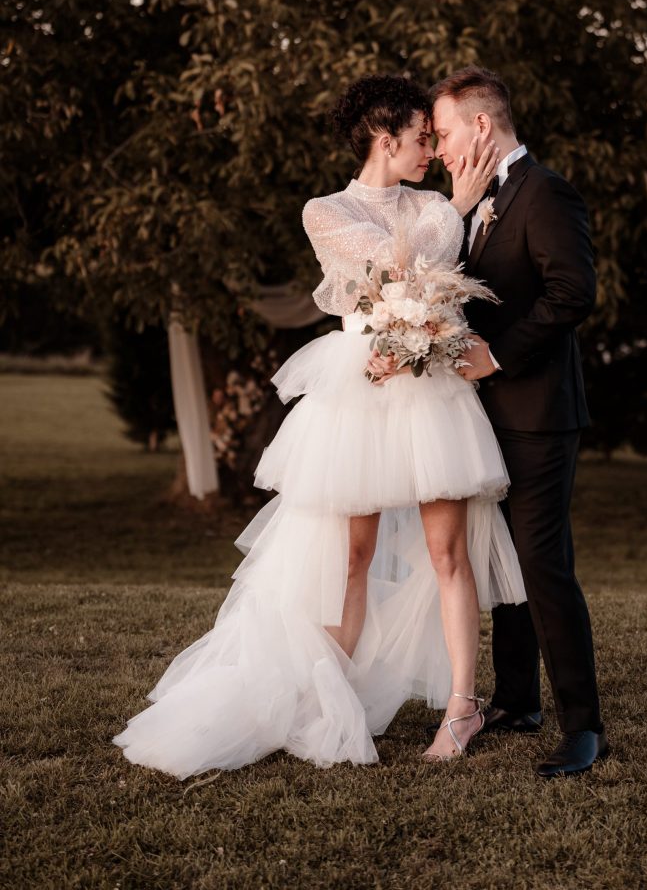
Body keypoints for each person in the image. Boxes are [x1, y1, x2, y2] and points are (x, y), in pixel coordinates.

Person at [112, 74, 525, 776]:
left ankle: (462, 704)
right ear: (383, 137)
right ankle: (331, 695)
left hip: (431, 390)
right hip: (361, 391)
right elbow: (392, 269)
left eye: (434, 137)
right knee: (352, 558)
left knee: (447, 552)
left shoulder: (432, 203)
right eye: (422, 137)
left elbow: (428, 270)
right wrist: (455, 209)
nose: (432, 148)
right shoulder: (325, 210)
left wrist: (445, 212)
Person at [430, 65, 608, 778]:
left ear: (481, 124)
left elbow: (574, 292)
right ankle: (516, 698)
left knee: (542, 564)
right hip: (481, 416)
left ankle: (584, 724)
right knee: (497, 557)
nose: (440, 147)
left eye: (443, 132)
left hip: (538, 413)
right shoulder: (469, 200)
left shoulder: (546, 191)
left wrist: (498, 355)